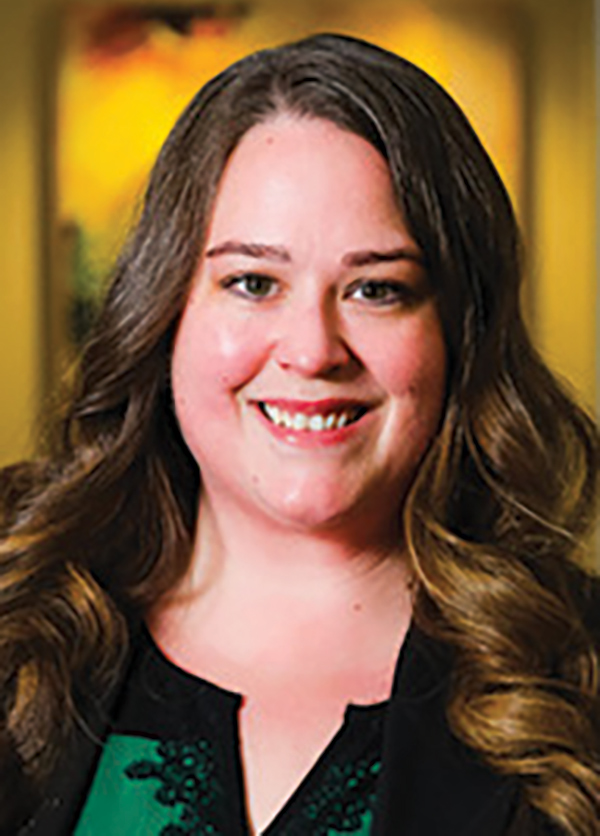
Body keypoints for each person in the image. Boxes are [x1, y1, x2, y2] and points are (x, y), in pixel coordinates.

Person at [1, 33, 599, 836]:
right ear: (165, 310)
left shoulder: (578, 672)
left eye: (377, 289)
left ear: (459, 329)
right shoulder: (17, 611)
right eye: (253, 282)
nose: (313, 350)